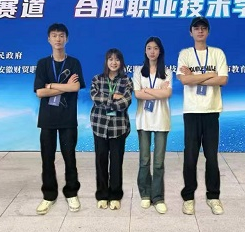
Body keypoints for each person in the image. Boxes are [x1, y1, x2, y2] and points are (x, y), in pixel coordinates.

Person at [176, 16, 228, 216]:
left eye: (203, 28)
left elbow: (222, 80)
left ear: (208, 32)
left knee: (211, 157)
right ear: (190, 32)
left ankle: (213, 197)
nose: (200, 31)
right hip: (191, 112)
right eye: (196, 28)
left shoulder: (217, 53)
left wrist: (194, 77)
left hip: (211, 111)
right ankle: (188, 198)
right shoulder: (185, 54)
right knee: (190, 157)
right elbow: (184, 81)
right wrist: (209, 75)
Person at [33, 23, 85, 215]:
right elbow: (40, 92)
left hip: (67, 119)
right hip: (47, 119)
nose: (58, 39)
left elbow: (75, 87)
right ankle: (49, 196)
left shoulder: (74, 63)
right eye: (54, 35)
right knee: (47, 159)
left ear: (67, 39)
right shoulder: (42, 64)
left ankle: (72, 193)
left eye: (61, 35)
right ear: (49, 39)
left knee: (69, 157)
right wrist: (64, 87)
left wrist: (51, 85)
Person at [90, 48, 133, 211]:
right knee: (101, 162)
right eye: (110, 59)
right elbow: (95, 97)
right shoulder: (97, 79)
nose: (113, 62)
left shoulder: (126, 80)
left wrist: (107, 101)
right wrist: (113, 98)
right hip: (100, 126)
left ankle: (115, 195)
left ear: (121, 62)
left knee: (116, 162)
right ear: (106, 61)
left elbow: (126, 102)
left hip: (118, 127)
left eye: (117, 59)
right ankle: (102, 195)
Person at [133, 36, 172, 214]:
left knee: (158, 162)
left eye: (155, 48)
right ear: (145, 51)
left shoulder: (167, 72)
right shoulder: (138, 71)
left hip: (161, 120)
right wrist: (157, 91)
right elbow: (138, 95)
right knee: (144, 161)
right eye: (149, 48)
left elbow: (167, 94)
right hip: (144, 120)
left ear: (160, 51)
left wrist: (147, 90)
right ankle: (145, 194)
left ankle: (158, 197)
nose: (152, 51)